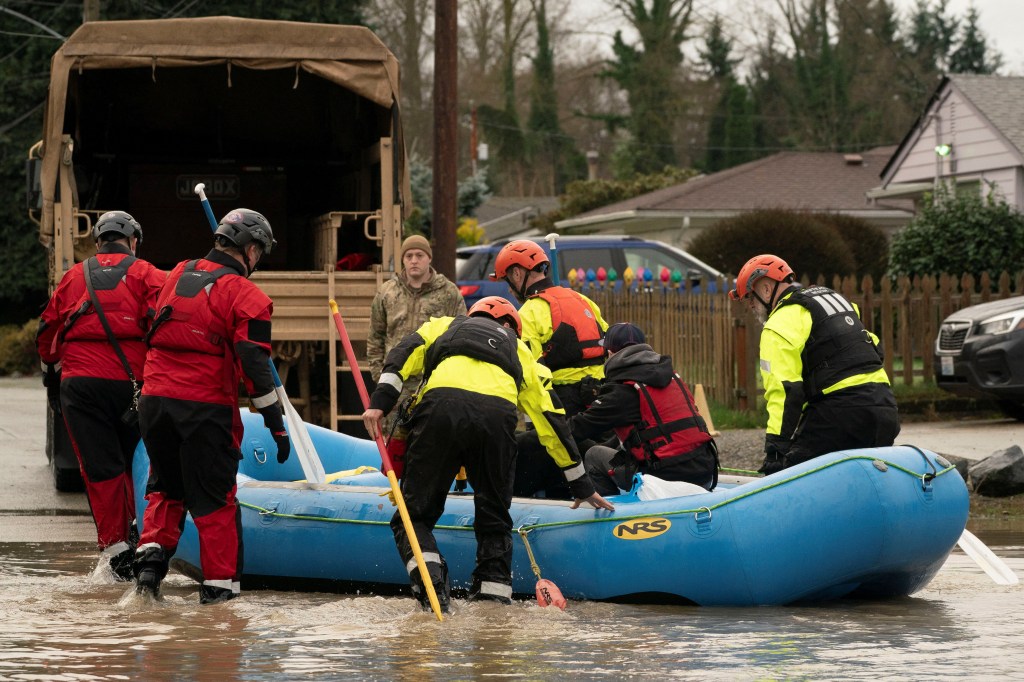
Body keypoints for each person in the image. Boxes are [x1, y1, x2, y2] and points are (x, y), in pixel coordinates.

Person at [362, 295, 614, 612]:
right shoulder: (521, 351)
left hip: (442, 410)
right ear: (512, 326)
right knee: (494, 520)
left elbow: (401, 355)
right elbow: (552, 422)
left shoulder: (444, 325)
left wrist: (380, 402)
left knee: (413, 517)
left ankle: (433, 587)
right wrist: (580, 484)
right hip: (497, 420)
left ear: (474, 314)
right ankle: (492, 609)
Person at [132, 208, 290, 605]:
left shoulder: (176, 274)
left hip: (154, 403)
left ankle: (148, 574)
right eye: (260, 253)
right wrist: (276, 424)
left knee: (165, 488)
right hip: (204, 408)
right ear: (250, 249)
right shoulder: (248, 296)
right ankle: (220, 600)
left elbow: (149, 325)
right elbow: (255, 365)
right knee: (216, 502)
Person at [36, 211, 166, 581]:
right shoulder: (149, 275)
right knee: (138, 464)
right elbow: (165, 322)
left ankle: (115, 550)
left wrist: (50, 370)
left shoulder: (74, 277)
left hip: (82, 385)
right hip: (136, 385)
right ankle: (146, 539)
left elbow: (47, 330)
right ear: (134, 242)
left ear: (97, 243)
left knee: (100, 467)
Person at [729, 254, 900, 475]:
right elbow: (874, 348)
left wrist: (775, 450)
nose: (750, 306)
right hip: (885, 409)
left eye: (750, 298)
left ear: (766, 289)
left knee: (790, 475)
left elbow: (785, 392)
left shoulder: (778, 324)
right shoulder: (836, 301)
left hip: (840, 414)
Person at [571, 322, 719, 496]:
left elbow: (576, 429)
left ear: (610, 353)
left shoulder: (622, 390)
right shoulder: (671, 376)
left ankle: (611, 516)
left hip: (664, 481)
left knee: (593, 455)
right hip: (705, 471)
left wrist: (539, 435)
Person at [367, 234, 465, 455]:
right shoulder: (387, 292)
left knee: (430, 444)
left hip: (430, 385)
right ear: (403, 260)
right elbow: (376, 337)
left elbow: (460, 336)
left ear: (429, 258)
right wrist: (379, 376)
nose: (414, 260)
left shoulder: (449, 293)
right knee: (394, 447)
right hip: (396, 385)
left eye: (419, 255)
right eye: (409, 256)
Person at [489, 240, 609, 416]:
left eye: (508, 282)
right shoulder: (583, 300)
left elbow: (530, 370)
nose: (510, 291)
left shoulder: (529, 312)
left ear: (516, 273)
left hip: (563, 402)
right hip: (601, 396)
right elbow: (610, 343)